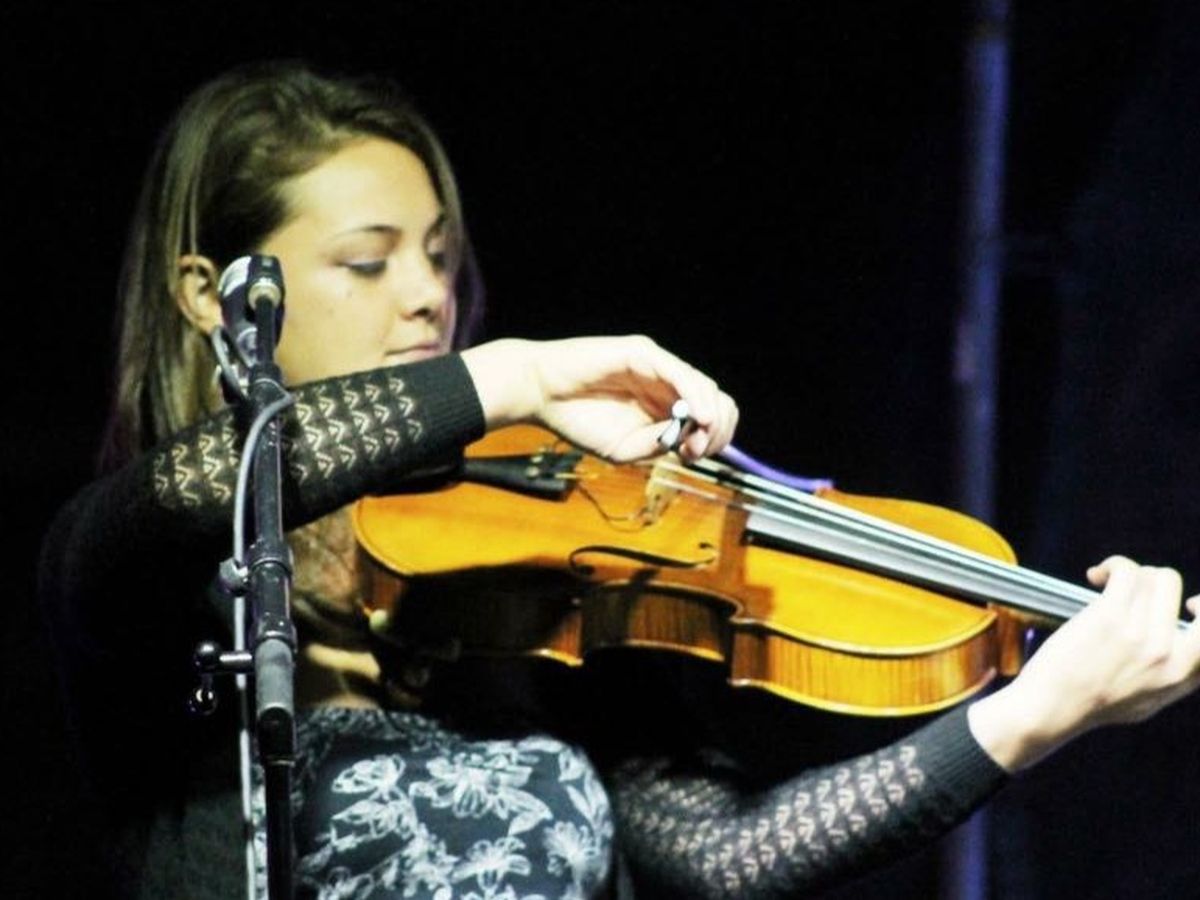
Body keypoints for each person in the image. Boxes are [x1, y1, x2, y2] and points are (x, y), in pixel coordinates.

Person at [39, 60, 1200, 900]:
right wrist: (520, 374)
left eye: (440, 257)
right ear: (211, 295)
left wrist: (1034, 714)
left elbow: (730, 857)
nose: (428, 297)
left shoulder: (515, 584)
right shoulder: (145, 585)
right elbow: (203, 486)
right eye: (367, 262)